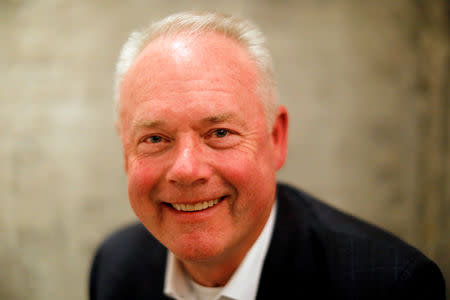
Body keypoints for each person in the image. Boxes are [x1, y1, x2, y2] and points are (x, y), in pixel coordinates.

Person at [89, 11, 445, 300]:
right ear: (125, 152)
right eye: (155, 138)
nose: (186, 170)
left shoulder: (390, 286)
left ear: (276, 138)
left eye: (220, 133)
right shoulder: (115, 266)